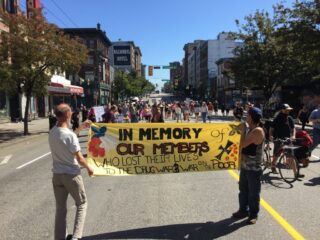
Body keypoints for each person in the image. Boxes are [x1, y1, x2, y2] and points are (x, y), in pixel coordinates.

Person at [49, 103, 94, 240]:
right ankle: (76, 237)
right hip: (71, 175)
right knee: (82, 204)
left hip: (57, 175)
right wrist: (89, 167)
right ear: (68, 114)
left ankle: (60, 237)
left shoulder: (53, 131)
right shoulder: (69, 135)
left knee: (60, 208)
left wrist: (81, 127)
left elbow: (67, 139)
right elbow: (80, 158)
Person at [232, 107, 264, 224]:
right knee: (243, 190)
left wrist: (242, 129)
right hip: (245, 166)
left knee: (253, 193)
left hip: (254, 168)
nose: (246, 116)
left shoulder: (257, 131)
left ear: (252, 117)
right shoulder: (249, 129)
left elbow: (242, 144)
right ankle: (243, 210)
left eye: (248, 115)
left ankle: (253, 214)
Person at [269, 104, 301, 177]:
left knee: (290, 156)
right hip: (278, 139)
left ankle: (296, 173)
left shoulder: (289, 118)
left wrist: (293, 135)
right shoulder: (277, 119)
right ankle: (273, 165)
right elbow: (271, 129)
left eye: (289, 109)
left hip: (287, 139)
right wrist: (270, 136)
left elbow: (293, 129)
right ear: (282, 110)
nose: (288, 111)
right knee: (277, 155)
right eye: (286, 109)